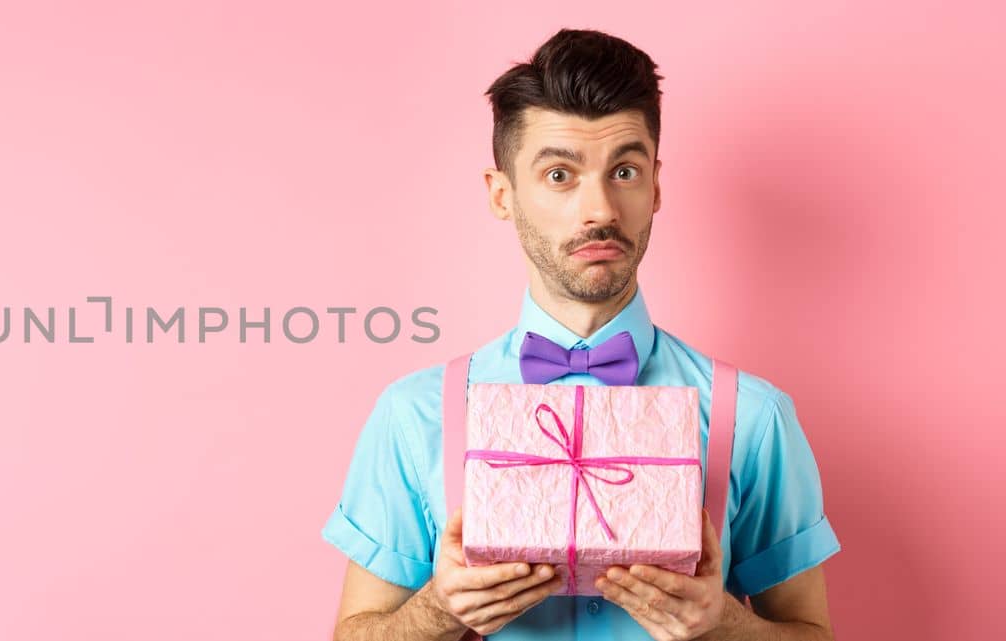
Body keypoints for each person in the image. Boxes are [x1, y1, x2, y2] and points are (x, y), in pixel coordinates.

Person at [322, 28, 840, 641]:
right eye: (560, 175)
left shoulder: (753, 416)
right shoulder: (415, 415)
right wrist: (440, 608)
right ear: (501, 195)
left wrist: (722, 623)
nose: (599, 209)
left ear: (656, 186)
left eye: (624, 170)